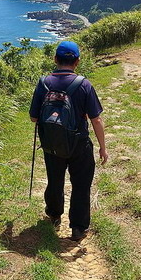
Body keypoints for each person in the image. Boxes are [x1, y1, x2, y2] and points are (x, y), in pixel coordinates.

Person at [29, 40, 108, 241]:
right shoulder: (84, 84)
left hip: (52, 144)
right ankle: (78, 228)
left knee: (55, 180)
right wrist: (102, 148)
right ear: (77, 61)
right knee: (81, 185)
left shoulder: (44, 83)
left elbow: (34, 117)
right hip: (79, 144)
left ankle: (54, 215)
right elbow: (96, 119)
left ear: (55, 59)